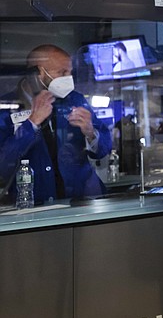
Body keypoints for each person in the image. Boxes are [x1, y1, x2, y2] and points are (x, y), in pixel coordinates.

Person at [0, 44, 112, 204]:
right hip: (33, 204)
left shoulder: (75, 100)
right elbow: (4, 164)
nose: (68, 78)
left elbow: (104, 150)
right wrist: (31, 123)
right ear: (37, 73)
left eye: (70, 72)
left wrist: (90, 132)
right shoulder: (7, 108)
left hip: (81, 200)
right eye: (62, 72)